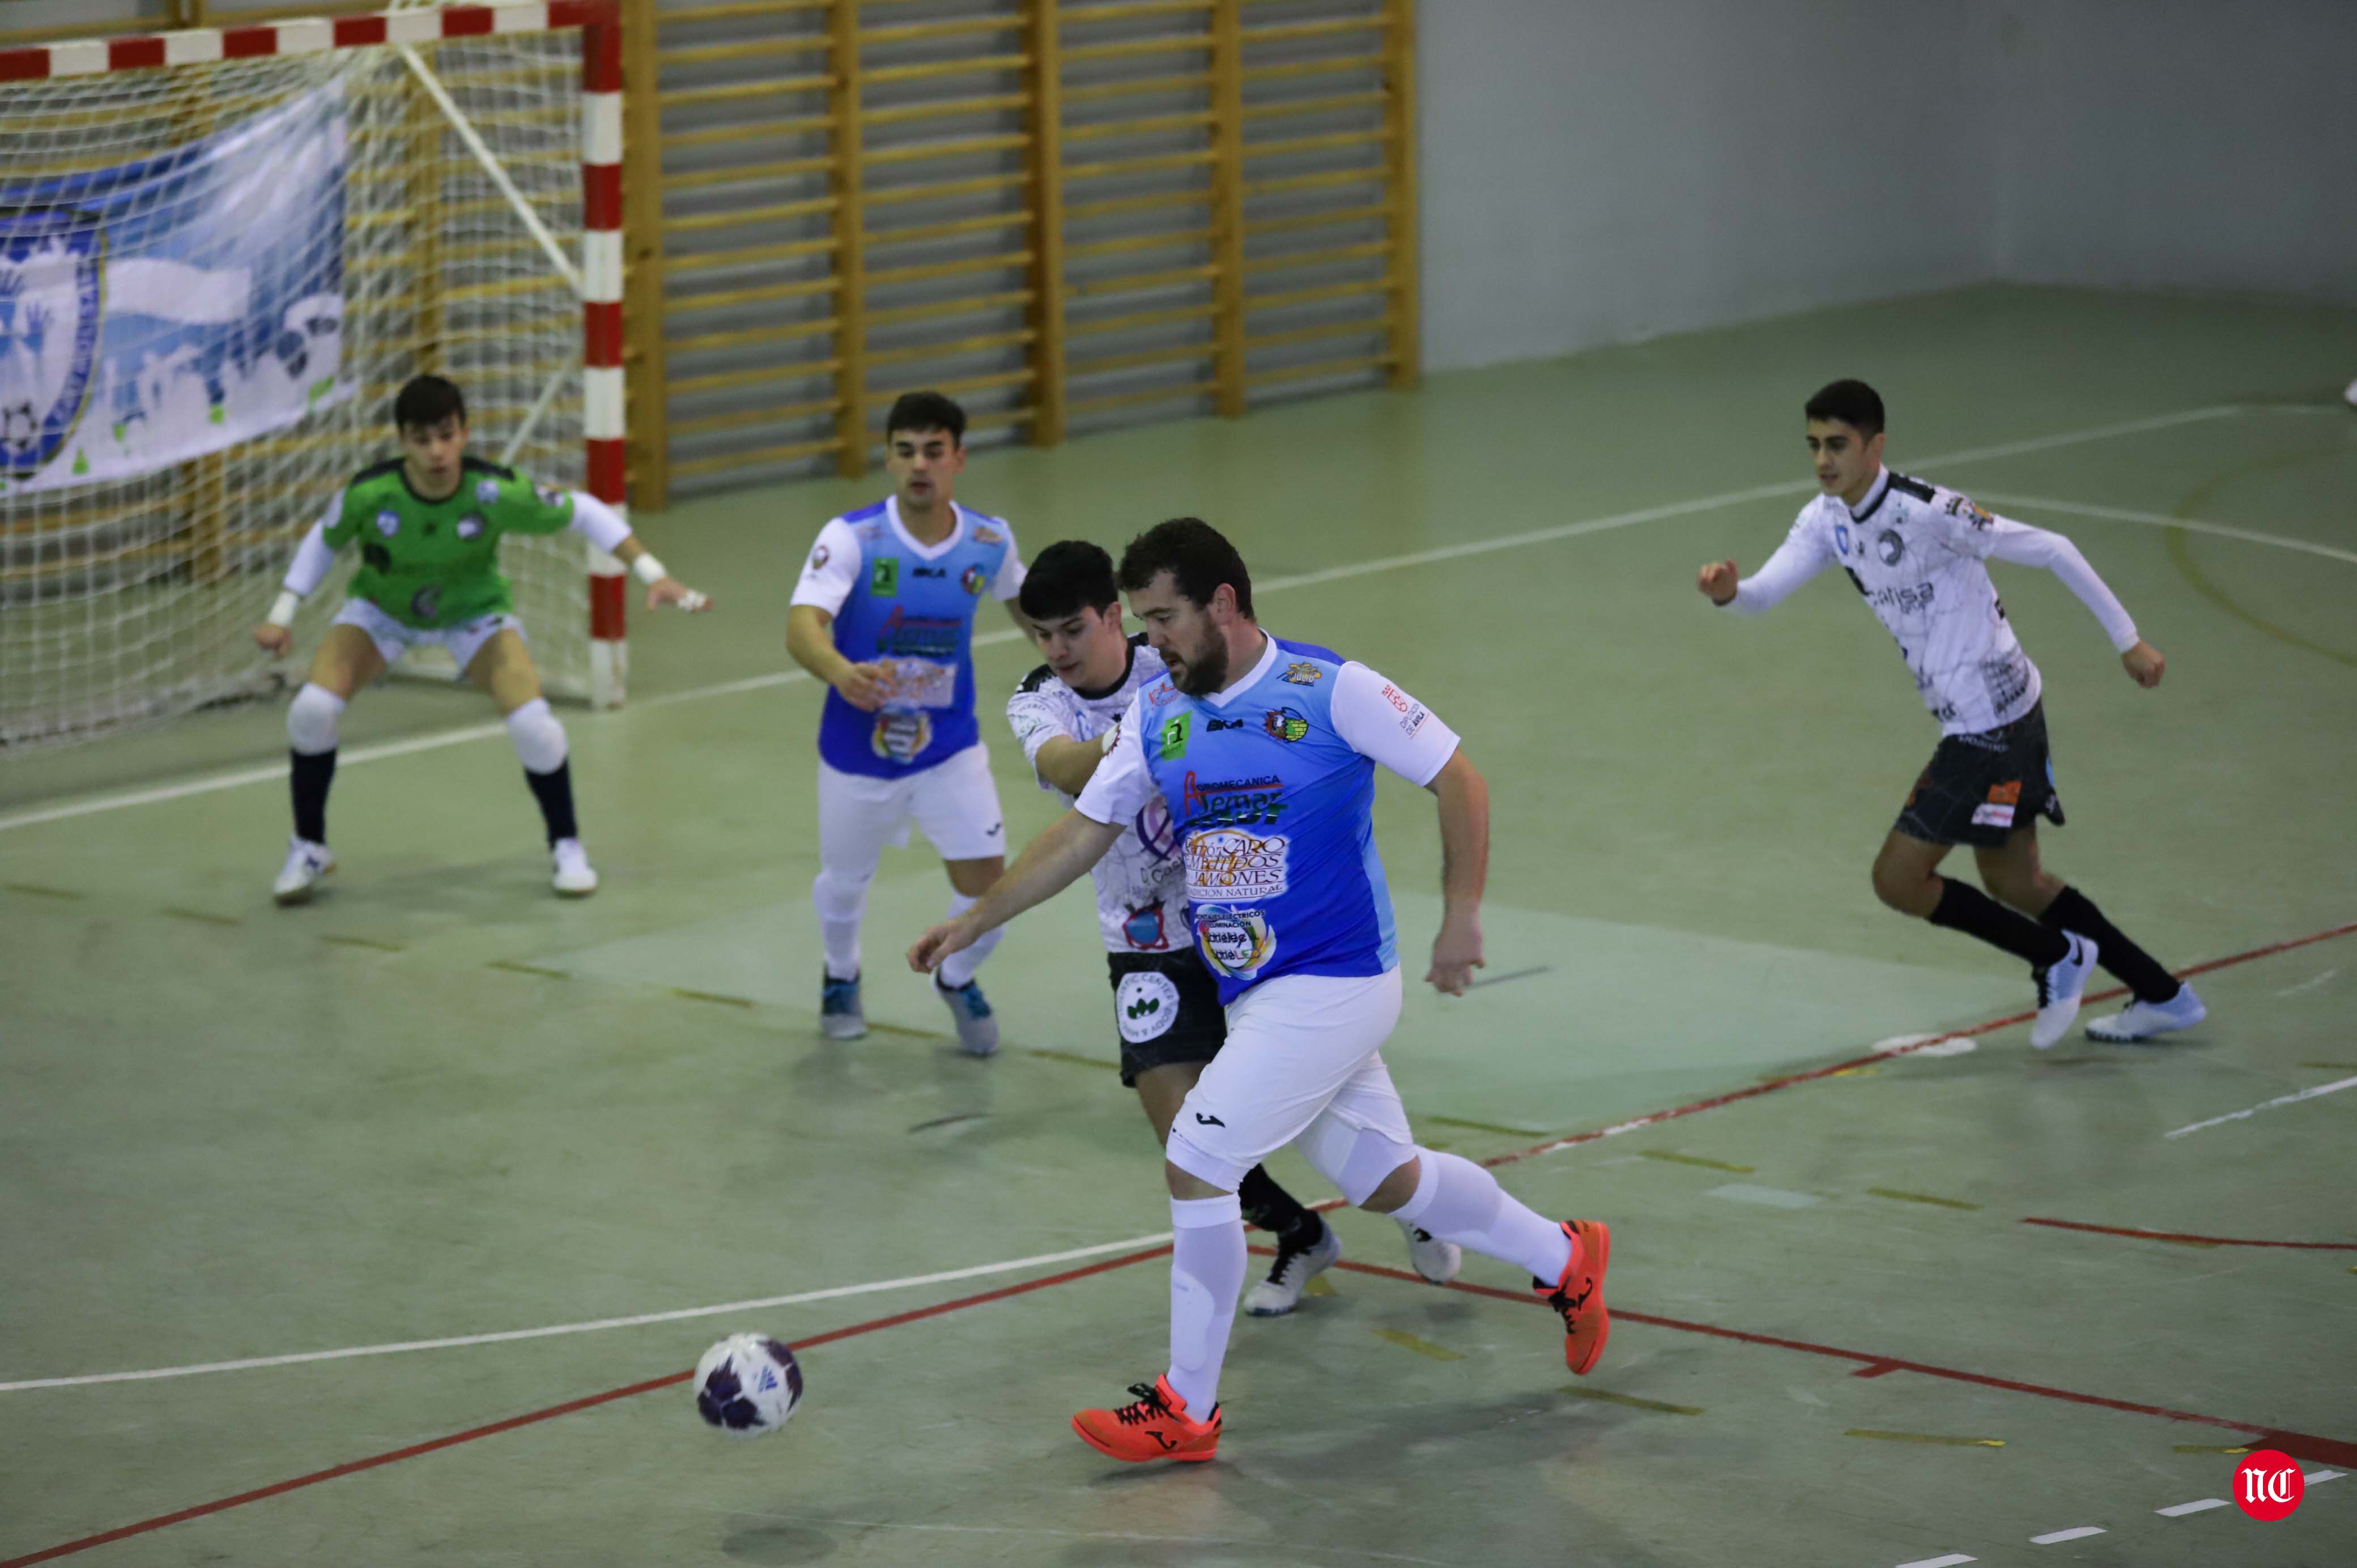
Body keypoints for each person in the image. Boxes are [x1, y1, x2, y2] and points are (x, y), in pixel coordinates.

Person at [912, 518, 1612, 1463]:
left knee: (1198, 1157)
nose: (1151, 640)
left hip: (1334, 981)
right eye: (1146, 621)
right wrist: (974, 919)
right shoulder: (1162, 718)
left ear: (1224, 605)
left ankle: (1184, 1407)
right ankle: (1567, 1257)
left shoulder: (1330, 689)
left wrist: (1461, 915)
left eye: (1164, 618)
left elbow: (1460, 779)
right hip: (1254, 991)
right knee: (1383, 1177)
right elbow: (1081, 834)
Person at [1007, 540, 1461, 1316]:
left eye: (1072, 630)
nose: (1057, 650)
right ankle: (1299, 1236)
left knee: (1328, 1118)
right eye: (1041, 634)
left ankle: (1419, 1204)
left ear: (1113, 617)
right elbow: (1066, 771)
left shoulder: (1176, 660)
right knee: (1183, 1131)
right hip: (1143, 939)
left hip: (1248, 930)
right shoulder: (1042, 697)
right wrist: (1140, 736)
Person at [1697, 379, 2203, 1045]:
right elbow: (1761, 596)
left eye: (1838, 445)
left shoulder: (1930, 511)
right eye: (1814, 445)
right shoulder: (1824, 519)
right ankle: (2163, 994)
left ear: (1875, 445)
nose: (1823, 460)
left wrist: (2127, 640)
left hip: (1987, 726)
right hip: (1996, 715)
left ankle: (2056, 957)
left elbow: (2051, 548)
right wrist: (1730, 593)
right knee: (2015, 881)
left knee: (1897, 878)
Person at [253, 373, 708, 904]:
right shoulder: (372, 494)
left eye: (447, 436)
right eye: (422, 440)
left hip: (474, 615)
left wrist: (653, 574)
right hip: (381, 613)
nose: (437, 452)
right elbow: (323, 541)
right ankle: (309, 847)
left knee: (537, 727)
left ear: (465, 434)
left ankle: (566, 846)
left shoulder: (493, 492)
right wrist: (282, 613)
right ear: (403, 442)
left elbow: (583, 511)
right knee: (310, 711)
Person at [786, 392, 1027, 1054]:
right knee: (844, 884)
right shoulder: (851, 538)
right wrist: (839, 670)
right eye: (904, 450)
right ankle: (841, 973)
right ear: (888, 458)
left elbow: (1032, 614)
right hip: (855, 752)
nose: (918, 464)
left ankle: (954, 975)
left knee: (993, 900)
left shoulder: (988, 541)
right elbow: (802, 625)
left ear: (958, 458)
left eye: (932, 450)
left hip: (949, 748)